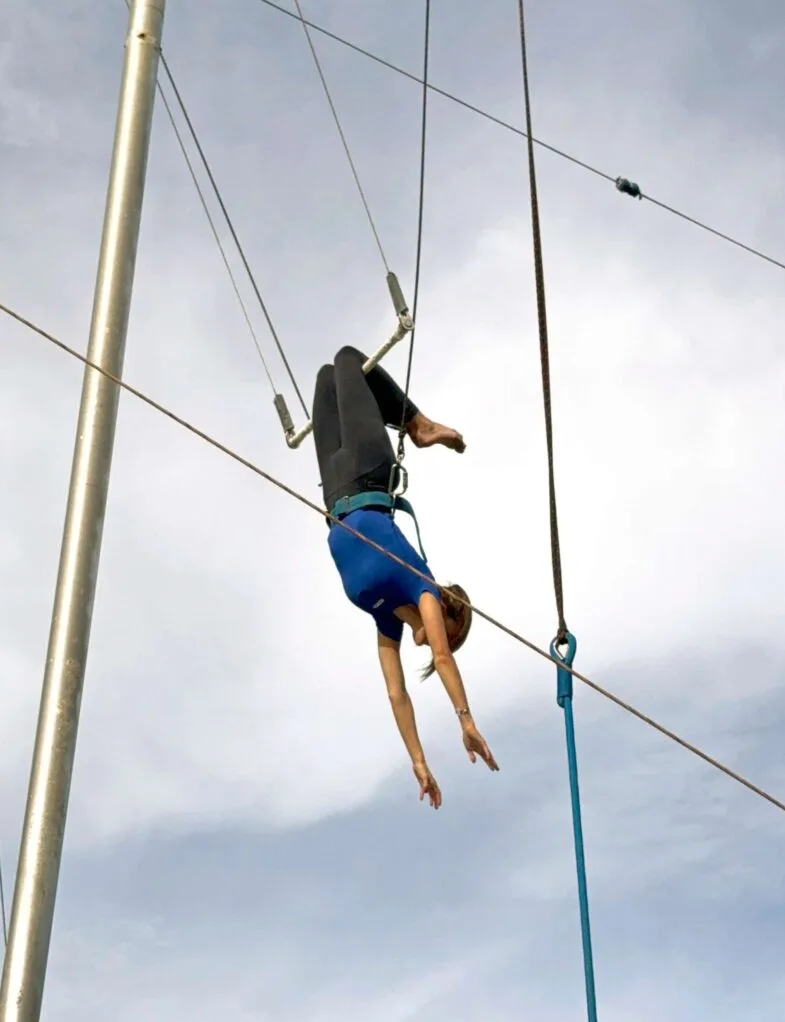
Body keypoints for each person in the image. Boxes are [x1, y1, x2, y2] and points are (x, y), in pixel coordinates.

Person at [313, 345, 499, 809]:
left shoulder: (385, 627)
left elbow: (395, 694)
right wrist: (466, 721)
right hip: (370, 473)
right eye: (451, 637)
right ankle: (419, 425)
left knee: (324, 379)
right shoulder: (425, 588)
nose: (438, 644)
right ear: (450, 611)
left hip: (335, 492)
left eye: (447, 641)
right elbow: (441, 657)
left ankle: (415, 423)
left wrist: (418, 761)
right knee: (347, 360)